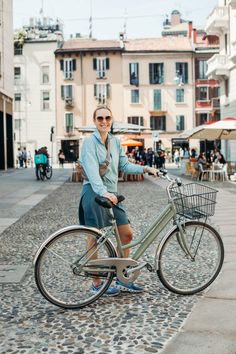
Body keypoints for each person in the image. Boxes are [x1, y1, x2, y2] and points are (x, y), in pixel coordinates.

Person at [79, 105, 158, 296]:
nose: (104, 121)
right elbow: (91, 172)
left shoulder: (115, 142)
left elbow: (123, 164)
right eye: (100, 118)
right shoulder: (89, 143)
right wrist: (103, 192)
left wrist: (145, 169)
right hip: (94, 192)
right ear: (95, 121)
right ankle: (96, 283)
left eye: (107, 117)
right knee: (94, 237)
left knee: (127, 234)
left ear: (112, 119)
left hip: (112, 193)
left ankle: (122, 278)